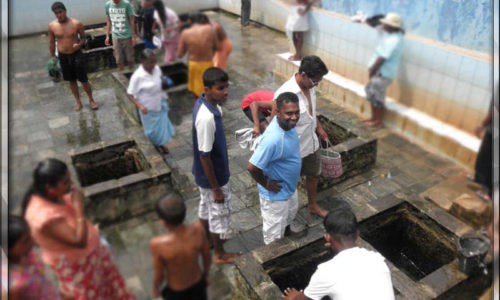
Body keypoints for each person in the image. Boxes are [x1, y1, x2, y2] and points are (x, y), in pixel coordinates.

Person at [22, 159, 134, 300]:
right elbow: (79, 241)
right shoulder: (43, 216)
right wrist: (78, 206)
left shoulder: (52, 195)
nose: (72, 184)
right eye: (66, 182)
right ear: (49, 188)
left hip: (92, 257)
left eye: (69, 179)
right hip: (78, 266)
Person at [283, 208, 395, 300]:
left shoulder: (326, 272)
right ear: (357, 234)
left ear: (327, 237)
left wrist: (293, 296)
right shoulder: (377, 259)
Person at [192, 68, 240, 263]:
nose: (226, 92)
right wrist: (216, 188)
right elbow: (205, 156)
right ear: (207, 89)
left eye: (227, 87)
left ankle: (208, 240)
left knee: (206, 208)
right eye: (220, 88)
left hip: (204, 176)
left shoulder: (204, 103)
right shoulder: (207, 118)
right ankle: (219, 253)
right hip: (214, 177)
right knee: (219, 213)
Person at [273, 55, 329, 218]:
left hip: (311, 142)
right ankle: (286, 215)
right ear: (304, 75)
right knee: (290, 182)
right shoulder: (285, 93)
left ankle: (313, 205)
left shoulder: (310, 85)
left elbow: (311, 112)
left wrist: (319, 128)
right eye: (315, 81)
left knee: (313, 175)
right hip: (293, 148)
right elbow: (275, 125)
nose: (316, 85)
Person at [247, 92, 302, 244]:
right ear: (277, 112)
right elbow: (252, 167)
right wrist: (265, 183)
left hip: (289, 188)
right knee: (273, 235)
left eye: (297, 112)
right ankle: (275, 260)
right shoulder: (272, 139)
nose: (294, 117)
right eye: (289, 113)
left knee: (289, 217)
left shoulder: (288, 126)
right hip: (276, 196)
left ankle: (287, 238)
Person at [150, 194, 211, 299]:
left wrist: (155, 288)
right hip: (198, 283)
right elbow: (207, 256)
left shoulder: (157, 244)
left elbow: (160, 275)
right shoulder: (198, 229)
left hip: (177, 291)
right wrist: (205, 275)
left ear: (162, 222)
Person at [48, 2, 98, 112]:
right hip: (63, 56)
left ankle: (91, 100)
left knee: (84, 79)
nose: (59, 15)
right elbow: (51, 43)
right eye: (56, 13)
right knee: (71, 80)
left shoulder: (76, 23)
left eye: (60, 12)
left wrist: (79, 45)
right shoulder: (52, 26)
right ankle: (78, 102)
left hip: (76, 54)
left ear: (65, 11)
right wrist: (52, 58)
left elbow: (84, 39)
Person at [127, 49, 175, 154]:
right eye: (151, 62)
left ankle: (161, 144)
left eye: (155, 61)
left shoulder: (157, 69)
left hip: (159, 103)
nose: (154, 65)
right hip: (148, 108)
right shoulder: (137, 76)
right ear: (143, 62)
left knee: (161, 128)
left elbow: (160, 84)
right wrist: (140, 106)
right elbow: (130, 94)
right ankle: (156, 145)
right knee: (152, 131)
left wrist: (165, 96)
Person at [363, 13, 404, 128]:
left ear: (391, 26)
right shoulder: (393, 36)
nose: (383, 25)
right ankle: (373, 117)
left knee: (378, 97)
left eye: (386, 24)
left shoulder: (394, 40)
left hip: (383, 73)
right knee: (371, 92)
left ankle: (378, 120)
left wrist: (372, 70)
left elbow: (382, 58)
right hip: (380, 72)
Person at [8, 215, 61, 300]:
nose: (33, 241)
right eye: (25, 241)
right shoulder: (13, 286)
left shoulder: (28, 253)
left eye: (30, 235)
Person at [178, 13, 219, 99]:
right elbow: (217, 47)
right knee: (209, 90)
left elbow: (180, 54)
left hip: (194, 65)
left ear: (190, 22)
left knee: (195, 94)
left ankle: (198, 109)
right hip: (208, 63)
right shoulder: (210, 29)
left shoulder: (185, 33)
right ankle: (210, 109)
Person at [105, 0, 136, 71]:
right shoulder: (108, 5)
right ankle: (121, 74)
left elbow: (132, 20)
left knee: (130, 58)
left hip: (127, 36)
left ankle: (131, 73)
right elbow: (109, 20)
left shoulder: (126, 4)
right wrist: (107, 35)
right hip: (115, 36)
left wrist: (133, 36)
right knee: (118, 59)